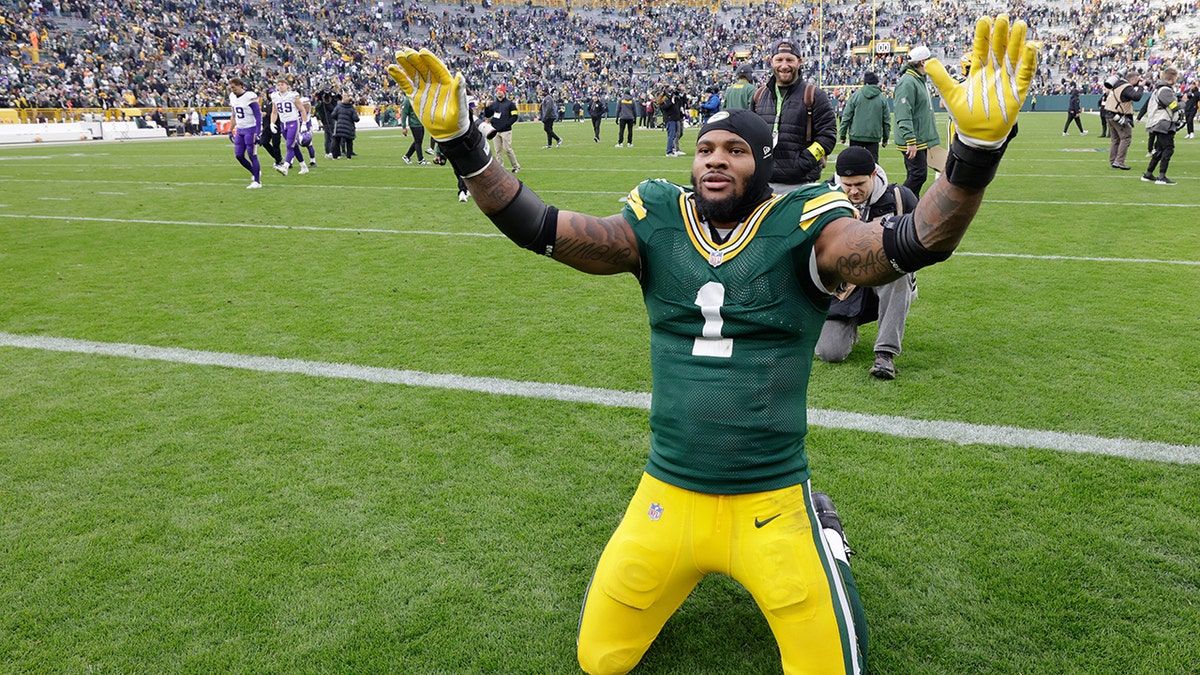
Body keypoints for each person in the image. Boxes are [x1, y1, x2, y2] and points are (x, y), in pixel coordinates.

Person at [387, 14, 1036, 673]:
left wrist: (974, 152)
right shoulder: (656, 220)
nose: (716, 159)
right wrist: (466, 146)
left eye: (734, 150)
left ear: (760, 166)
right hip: (669, 492)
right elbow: (542, 227)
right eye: (706, 150)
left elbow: (911, 244)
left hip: (771, 497)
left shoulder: (806, 223)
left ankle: (827, 539)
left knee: (831, 668)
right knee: (600, 658)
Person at [815, 147, 918, 379]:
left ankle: (885, 353)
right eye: (847, 184)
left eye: (859, 184)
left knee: (898, 267)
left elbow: (922, 240)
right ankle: (847, 327)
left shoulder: (900, 198)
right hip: (842, 285)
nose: (853, 191)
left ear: (874, 175)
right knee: (829, 352)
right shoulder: (822, 200)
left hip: (884, 279)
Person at [750, 38, 837, 191]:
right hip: (764, 185)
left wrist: (804, 161)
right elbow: (749, 136)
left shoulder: (814, 95)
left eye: (790, 60)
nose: (784, 66)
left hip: (801, 184)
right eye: (779, 60)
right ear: (771, 62)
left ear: (799, 61)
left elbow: (827, 137)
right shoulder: (759, 96)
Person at [892, 45, 941, 196]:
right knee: (918, 175)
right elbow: (903, 112)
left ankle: (911, 206)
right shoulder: (908, 82)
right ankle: (899, 201)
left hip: (919, 137)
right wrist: (910, 140)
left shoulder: (917, 80)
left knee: (917, 175)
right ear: (922, 62)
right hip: (914, 139)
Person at [1141, 66, 1182, 186]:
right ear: (1173, 77)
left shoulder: (1157, 89)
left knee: (1159, 149)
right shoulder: (1165, 90)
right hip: (1162, 122)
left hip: (1157, 121)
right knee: (1168, 148)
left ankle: (1148, 173)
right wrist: (1183, 103)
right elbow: (1174, 106)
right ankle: (1162, 176)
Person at [838, 72, 890, 161]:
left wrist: (842, 135)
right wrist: (885, 138)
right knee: (873, 165)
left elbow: (846, 117)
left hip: (856, 135)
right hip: (873, 136)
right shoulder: (882, 99)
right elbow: (886, 121)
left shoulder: (855, 96)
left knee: (854, 164)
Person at [1102, 70, 1146, 170]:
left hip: (1109, 114)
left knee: (1115, 139)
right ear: (1132, 79)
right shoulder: (1126, 87)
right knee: (1126, 137)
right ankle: (1119, 161)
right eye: (1137, 80)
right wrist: (1141, 87)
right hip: (1118, 115)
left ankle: (1113, 161)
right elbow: (1136, 97)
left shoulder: (1117, 84)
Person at [227, 77, 263, 189]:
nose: (233, 90)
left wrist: (258, 132)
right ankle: (254, 172)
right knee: (239, 155)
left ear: (240, 85)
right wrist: (230, 130)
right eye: (231, 88)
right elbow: (234, 115)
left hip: (250, 129)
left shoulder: (249, 96)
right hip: (240, 129)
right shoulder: (232, 97)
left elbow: (258, 115)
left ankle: (257, 182)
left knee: (252, 155)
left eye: (234, 87)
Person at [270, 78, 308, 175]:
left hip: (293, 122)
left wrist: (304, 123)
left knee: (289, 145)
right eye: (279, 84)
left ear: (287, 86)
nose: (280, 86)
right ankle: (303, 166)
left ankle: (285, 167)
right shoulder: (274, 96)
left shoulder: (292, 95)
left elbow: (302, 110)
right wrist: (272, 123)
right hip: (283, 123)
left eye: (282, 84)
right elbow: (274, 112)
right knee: (293, 146)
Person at [483, 85, 521, 173]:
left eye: (500, 90)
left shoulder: (510, 104)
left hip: (506, 130)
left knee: (507, 149)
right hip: (495, 130)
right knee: (497, 151)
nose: (498, 92)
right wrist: (487, 107)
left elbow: (514, 116)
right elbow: (487, 115)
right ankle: (500, 169)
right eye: (497, 91)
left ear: (504, 92)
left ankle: (516, 166)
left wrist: (506, 124)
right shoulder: (494, 104)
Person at [400, 92, 429, 164]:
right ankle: (420, 159)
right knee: (418, 141)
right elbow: (404, 113)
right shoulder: (407, 100)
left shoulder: (416, 99)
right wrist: (403, 127)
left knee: (418, 141)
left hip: (420, 122)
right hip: (414, 123)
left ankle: (407, 156)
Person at [330, 92, 359, 159]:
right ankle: (348, 156)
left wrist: (339, 118)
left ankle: (335, 155)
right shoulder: (351, 108)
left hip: (339, 126)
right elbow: (356, 119)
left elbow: (333, 115)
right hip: (349, 127)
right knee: (349, 142)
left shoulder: (339, 106)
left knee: (337, 141)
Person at [658, 87, 686, 156]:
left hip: (674, 118)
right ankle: (669, 151)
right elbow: (664, 107)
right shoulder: (665, 100)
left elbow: (679, 104)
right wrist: (671, 102)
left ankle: (672, 150)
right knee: (671, 135)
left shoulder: (671, 98)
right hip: (670, 119)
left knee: (674, 135)